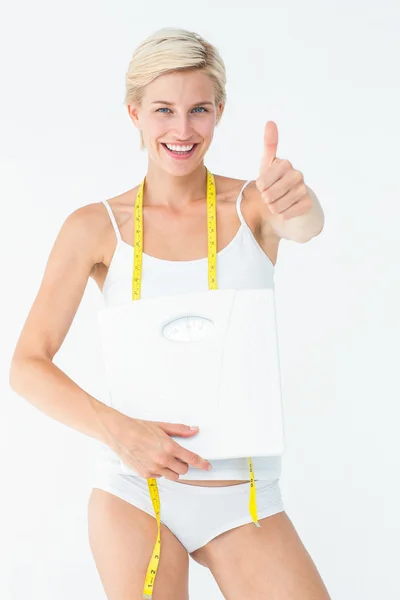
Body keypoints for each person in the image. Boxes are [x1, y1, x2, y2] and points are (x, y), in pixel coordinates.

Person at [9, 27, 330, 600]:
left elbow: (304, 227)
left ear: (219, 113)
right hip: (137, 490)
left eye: (198, 110)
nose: (182, 131)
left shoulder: (254, 205)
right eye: (164, 110)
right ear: (134, 113)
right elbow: (27, 365)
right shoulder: (95, 227)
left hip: (244, 494)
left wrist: (301, 205)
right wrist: (122, 433)